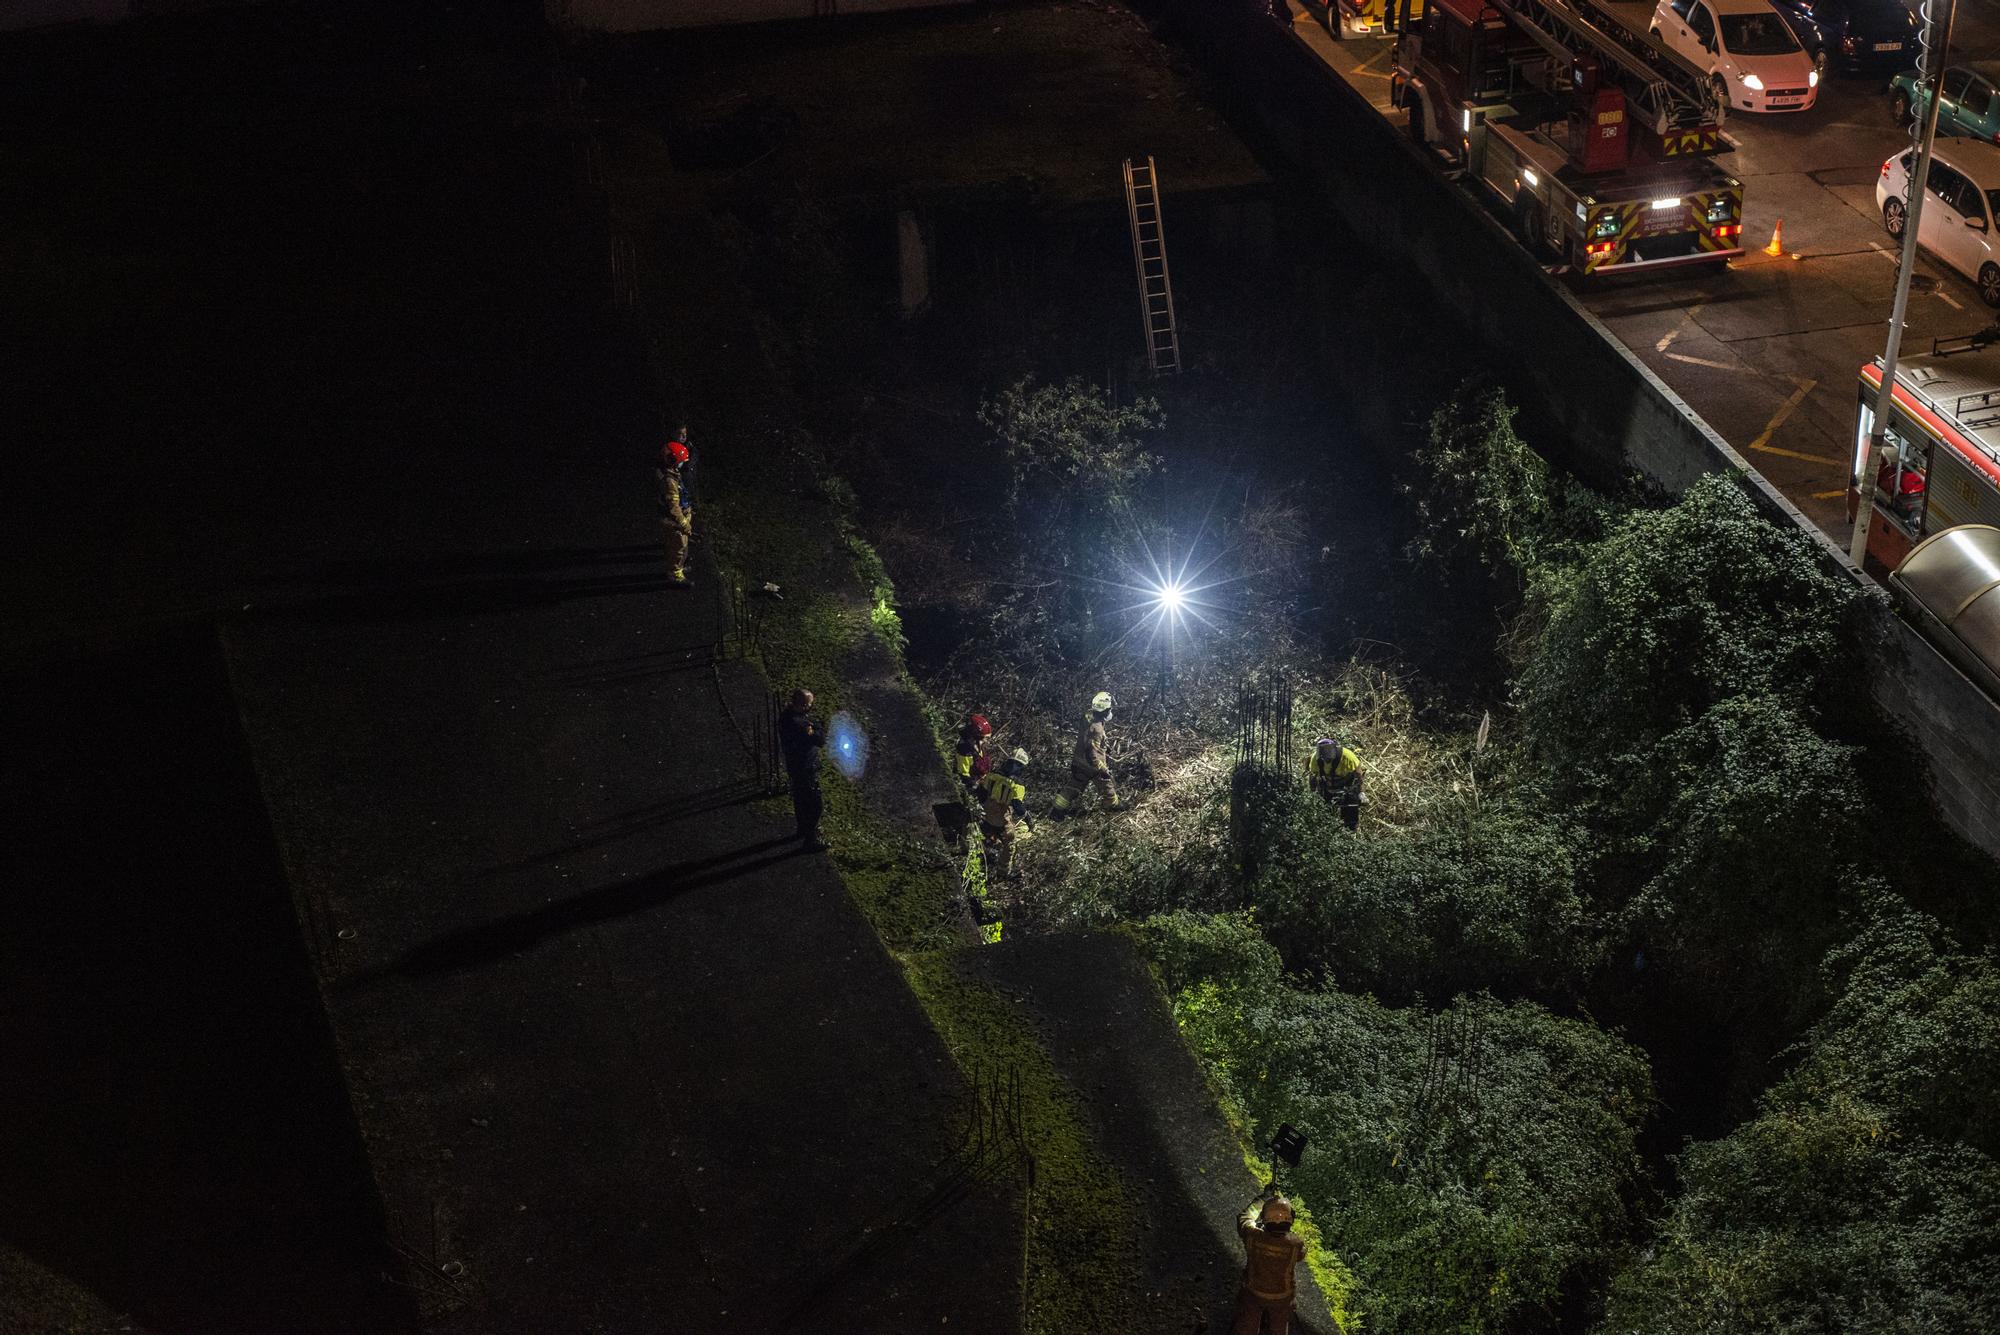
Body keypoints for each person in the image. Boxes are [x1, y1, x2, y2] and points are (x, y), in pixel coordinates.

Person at [1232, 1185, 1307, 1335]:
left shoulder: (1252, 1236)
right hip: (1282, 1297)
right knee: (1279, 1328)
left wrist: (1263, 1199)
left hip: (1253, 1292)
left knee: (1247, 1326)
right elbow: (1301, 1255)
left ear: (1265, 1219)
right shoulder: (1296, 1244)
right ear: (1291, 1219)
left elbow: (1244, 1217)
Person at [778, 688, 829, 851]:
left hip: (794, 766)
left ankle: (802, 829)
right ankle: (811, 838)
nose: (811, 707)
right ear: (804, 705)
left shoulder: (786, 718)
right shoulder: (802, 725)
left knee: (799, 800)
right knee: (815, 804)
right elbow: (819, 739)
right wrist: (817, 727)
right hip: (805, 768)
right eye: (809, 704)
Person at [1056, 690, 1121, 815]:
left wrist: (1104, 747)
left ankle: (1056, 810)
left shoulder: (1088, 717)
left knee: (1073, 787)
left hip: (1079, 761)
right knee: (1107, 785)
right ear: (1106, 710)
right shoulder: (1096, 728)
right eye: (1109, 709)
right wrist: (1102, 769)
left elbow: (1089, 740)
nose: (1110, 711)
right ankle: (1113, 806)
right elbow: (1092, 751)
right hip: (1092, 766)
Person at [975, 749, 1034, 881]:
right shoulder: (1017, 785)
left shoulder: (992, 775)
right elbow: (1018, 806)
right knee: (1010, 843)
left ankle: (974, 849)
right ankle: (1003, 872)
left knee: (980, 832)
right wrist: (1029, 819)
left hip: (985, 813)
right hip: (1001, 818)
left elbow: (981, 793)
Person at [1307, 736, 1363, 832]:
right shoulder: (1315, 759)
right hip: (1327, 786)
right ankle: (1327, 832)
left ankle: (1350, 832)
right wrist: (1312, 793)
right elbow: (1313, 776)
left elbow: (1358, 773)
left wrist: (1361, 792)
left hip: (1347, 786)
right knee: (1325, 813)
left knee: (1350, 812)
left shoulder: (1347, 755)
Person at [657, 438, 693, 586]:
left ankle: (679, 567)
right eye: (681, 460)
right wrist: (684, 523)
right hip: (674, 523)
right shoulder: (669, 481)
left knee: (679, 546)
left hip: (675, 520)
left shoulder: (672, 475)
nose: (683, 463)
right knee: (678, 547)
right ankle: (675, 574)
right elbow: (673, 507)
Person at [954, 713, 994, 795]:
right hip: (973, 789)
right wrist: (976, 788)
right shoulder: (965, 750)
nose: (987, 741)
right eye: (985, 738)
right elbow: (963, 775)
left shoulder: (978, 747)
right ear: (977, 736)